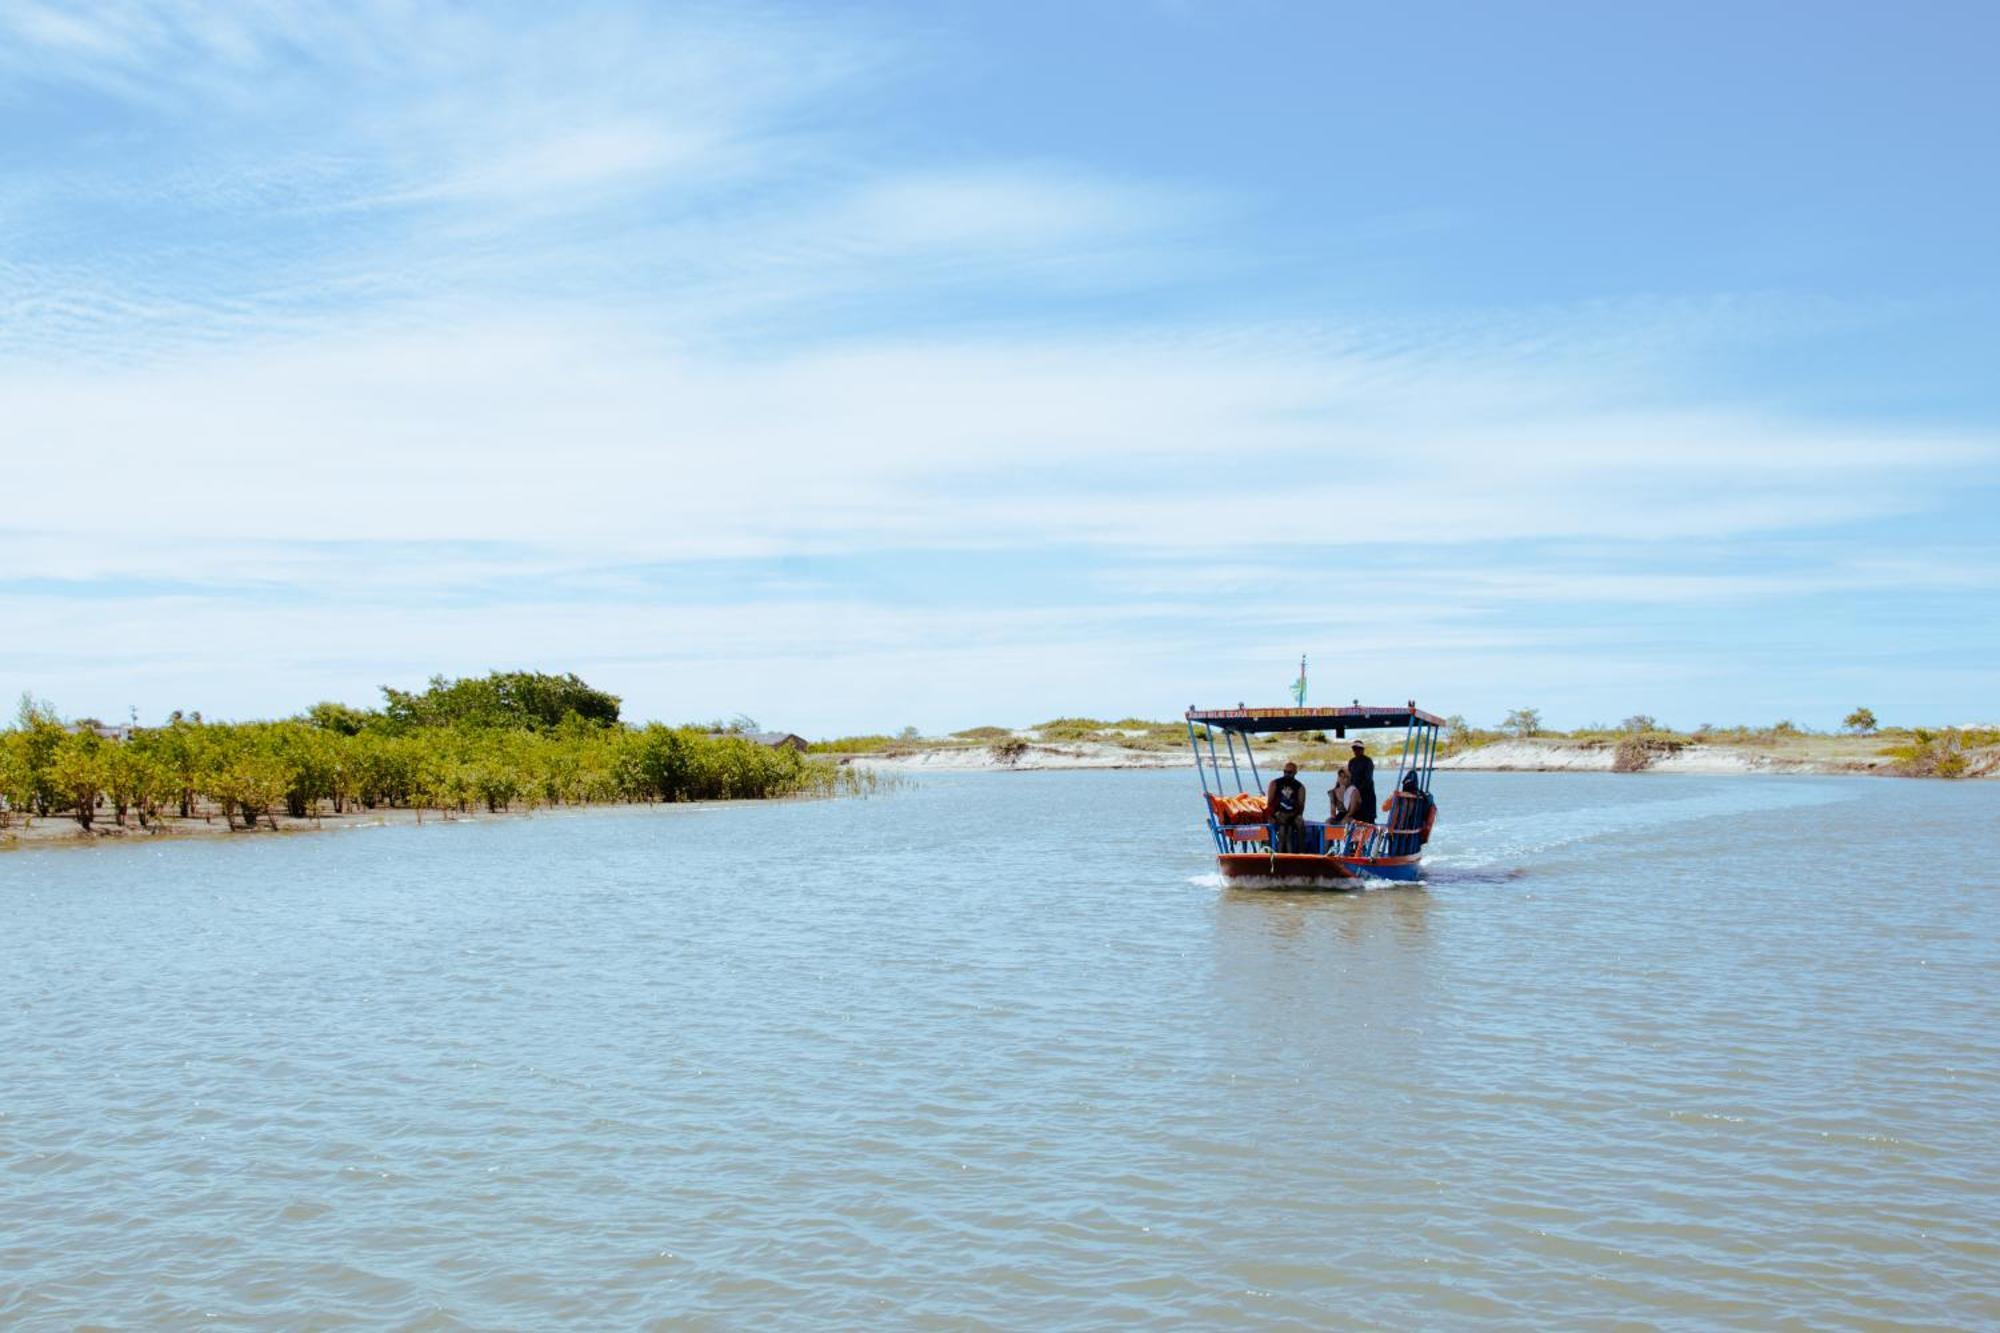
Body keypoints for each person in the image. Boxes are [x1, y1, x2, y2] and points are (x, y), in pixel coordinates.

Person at [1265, 760, 1307, 853]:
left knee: (1300, 822)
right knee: (1282, 826)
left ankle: (1301, 851)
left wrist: (1293, 814)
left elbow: (1301, 806)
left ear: (1295, 773)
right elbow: (1270, 803)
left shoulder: (1300, 787)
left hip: (1293, 813)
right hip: (1278, 812)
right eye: (1285, 772)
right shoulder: (1275, 783)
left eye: (1290, 772)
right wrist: (1274, 814)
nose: (1287, 774)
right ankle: (1273, 851)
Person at [1348, 741, 1377, 822]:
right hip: (1355, 795)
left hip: (1367, 795)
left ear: (1362, 749)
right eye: (1354, 749)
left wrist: (1357, 791)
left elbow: (1368, 779)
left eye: (1358, 749)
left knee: (1368, 818)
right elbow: (1349, 778)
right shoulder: (1352, 762)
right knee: (1355, 818)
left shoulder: (1368, 761)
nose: (1356, 751)